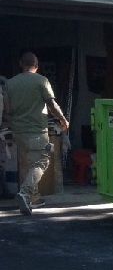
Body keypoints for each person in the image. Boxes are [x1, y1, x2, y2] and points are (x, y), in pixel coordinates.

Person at [3, 52, 69, 215]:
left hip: (18, 131)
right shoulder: (42, 81)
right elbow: (51, 104)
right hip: (36, 130)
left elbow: (8, 110)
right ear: (37, 65)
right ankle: (25, 193)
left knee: (28, 164)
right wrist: (63, 119)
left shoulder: (10, 84)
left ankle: (33, 198)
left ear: (21, 64)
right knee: (41, 162)